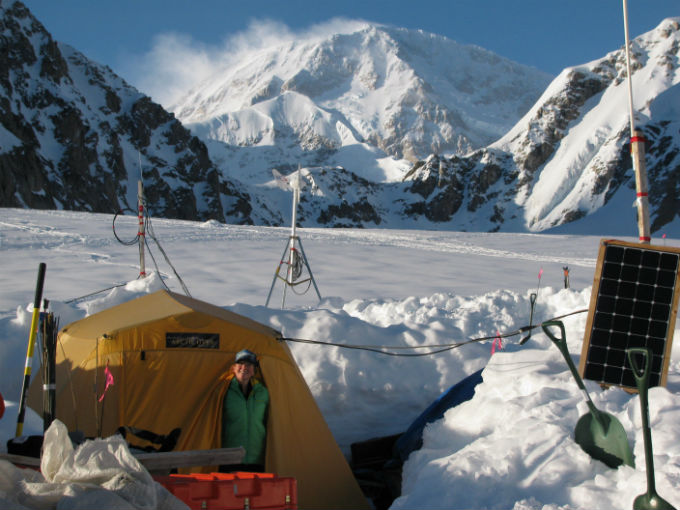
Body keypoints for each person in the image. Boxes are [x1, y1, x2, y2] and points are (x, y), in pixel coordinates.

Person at [219, 349, 269, 472]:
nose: (244, 367)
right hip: (230, 458)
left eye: (249, 365)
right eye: (240, 364)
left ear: (254, 370)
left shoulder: (263, 392)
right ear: (233, 368)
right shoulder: (224, 391)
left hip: (256, 459)